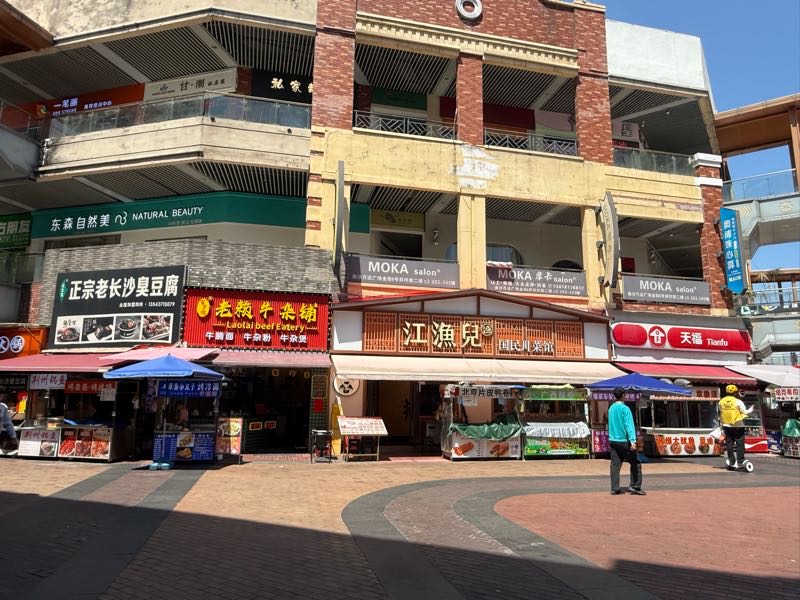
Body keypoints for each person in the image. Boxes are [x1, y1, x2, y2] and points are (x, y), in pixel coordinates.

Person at [608, 387, 645, 495]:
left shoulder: (611, 408)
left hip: (613, 440)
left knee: (615, 464)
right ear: (623, 395)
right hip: (624, 440)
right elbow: (629, 425)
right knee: (635, 462)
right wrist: (633, 441)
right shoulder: (625, 409)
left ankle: (614, 488)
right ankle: (635, 486)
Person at [718, 384, 753, 469]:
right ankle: (740, 461)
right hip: (738, 426)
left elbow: (720, 413)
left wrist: (721, 427)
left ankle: (731, 461)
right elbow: (745, 412)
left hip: (726, 426)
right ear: (735, 392)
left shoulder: (721, 402)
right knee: (739, 444)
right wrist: (751, 409)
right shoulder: (738, 401)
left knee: (729, 444)